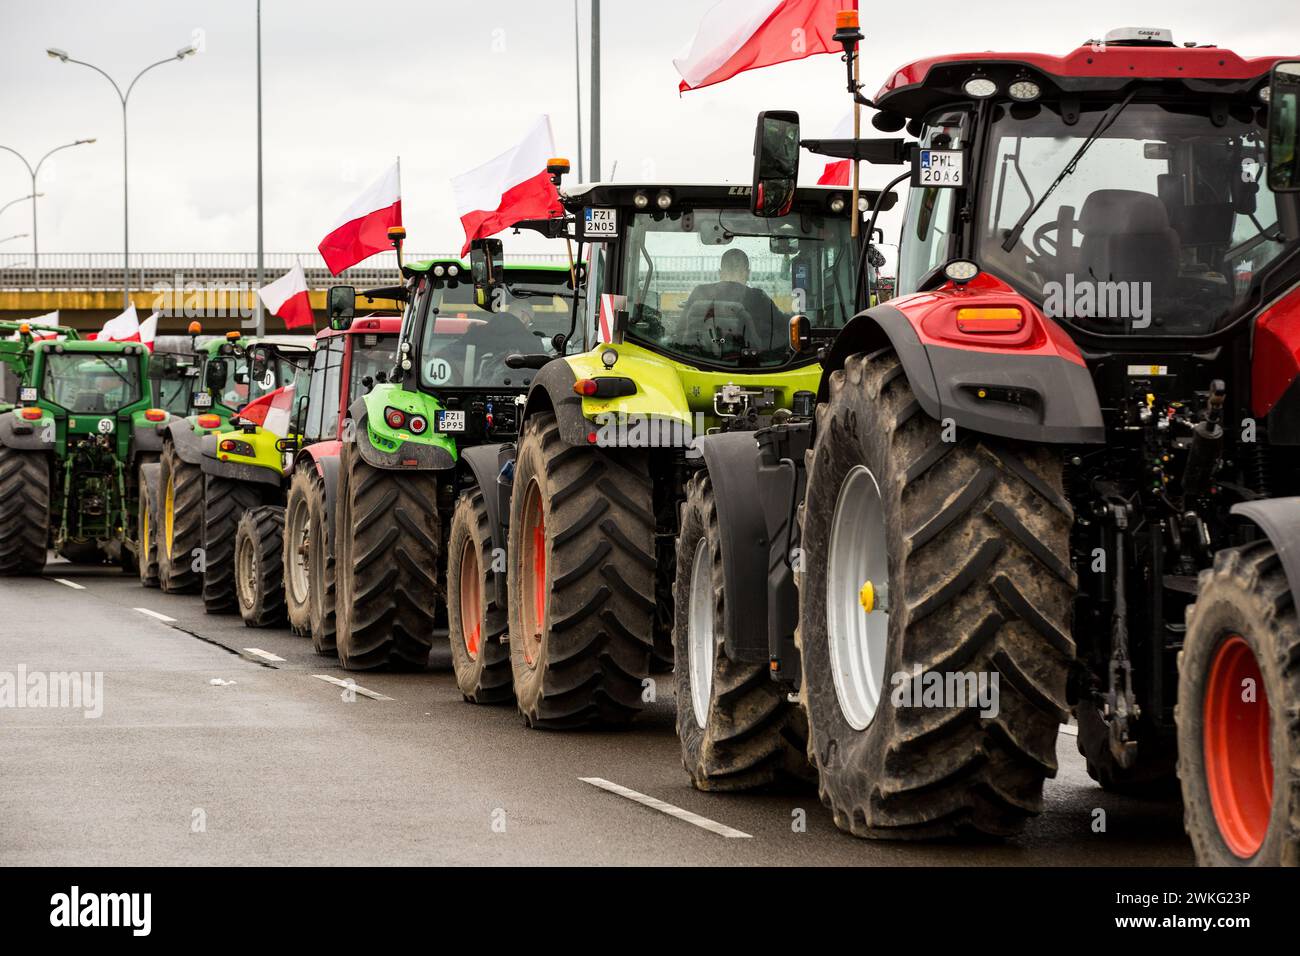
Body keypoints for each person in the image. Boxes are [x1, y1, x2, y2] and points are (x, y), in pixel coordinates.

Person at [681, 248, 785, 353]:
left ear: (720, 273)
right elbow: (783, 329)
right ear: (748, 273)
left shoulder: (700, 292)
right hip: (749, 363)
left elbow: (680, 332)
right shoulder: (759, 297)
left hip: (701, 360)